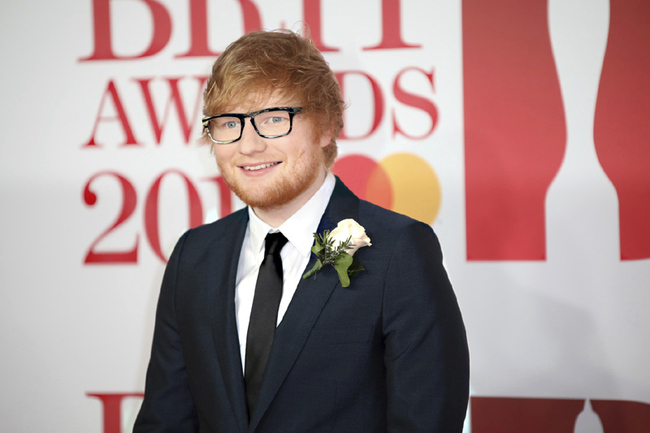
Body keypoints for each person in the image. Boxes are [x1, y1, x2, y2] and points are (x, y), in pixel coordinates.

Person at [134, 29, 469, 433]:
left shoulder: (397, 251)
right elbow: (165, 421)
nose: (249, 145)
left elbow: (425, 423)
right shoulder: (194, 256)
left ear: (326, 125)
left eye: (274, 119)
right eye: (228, 122)